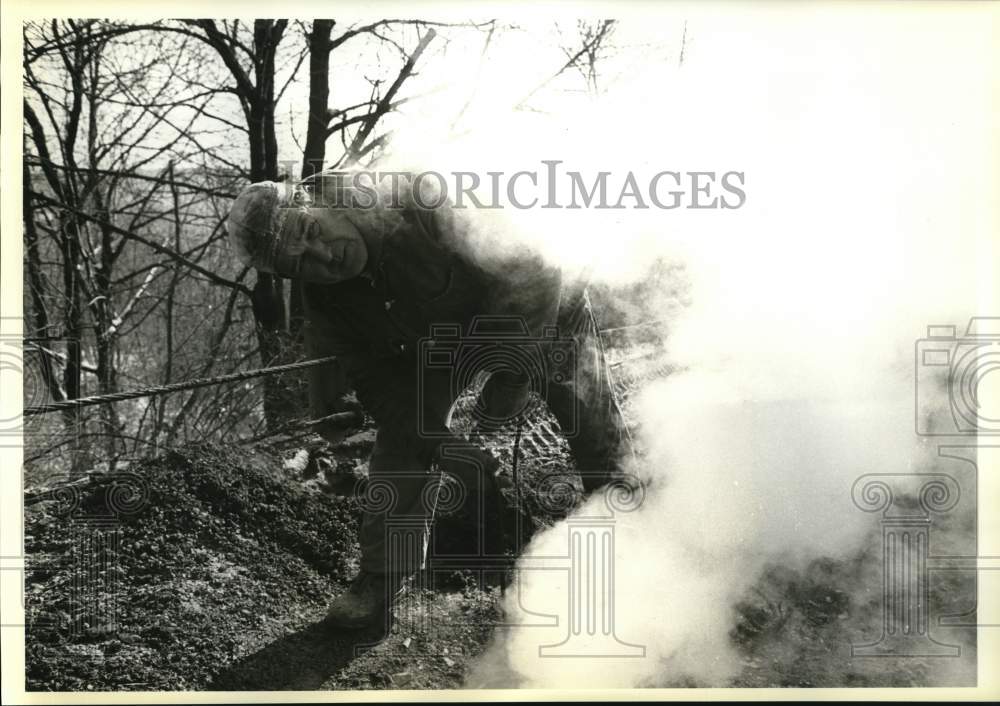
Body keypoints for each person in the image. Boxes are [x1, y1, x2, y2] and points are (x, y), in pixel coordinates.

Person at [225, 172, 631, 628]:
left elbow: (535, 265)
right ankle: (381, 577)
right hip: (438, 343)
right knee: (403, 445)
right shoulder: (328, 303)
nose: (325, 258)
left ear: (316, 202)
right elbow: (381, 389)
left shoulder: (419, 198)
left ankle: (631, 519)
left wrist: (511, 375)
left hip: (541, 305)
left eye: (312, 232)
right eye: (301, 266)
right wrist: (442, 445)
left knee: (586, 411)